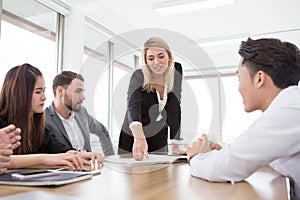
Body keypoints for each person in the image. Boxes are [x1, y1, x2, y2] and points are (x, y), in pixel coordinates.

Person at [187, 38, 300, 199]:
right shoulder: (291, 104)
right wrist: (232, 154)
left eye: (239, 77)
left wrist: (196, 157)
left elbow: (228, 167)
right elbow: (248, 155)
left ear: (259, 78)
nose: (239, 87)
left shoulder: (289, 110)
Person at [0, 63, 97, 170]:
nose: (44, 97)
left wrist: (77, 154)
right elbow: (5, 160)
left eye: (44, 91)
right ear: (20, 94)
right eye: (38, 92)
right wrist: (43, 158)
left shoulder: (36, 125)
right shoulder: (2, 122)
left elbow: (59, 150)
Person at [118, 37, 184, 160]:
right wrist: (139, 138)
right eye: (151, 58)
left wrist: (176, 145)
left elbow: (174, 107)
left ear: (169, 57)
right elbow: (133, 106)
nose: (156, 62)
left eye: (161, 56)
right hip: (135, 136)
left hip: (158, 135)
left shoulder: (176, 72)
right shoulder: (139, 76)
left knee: (160, 175)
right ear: (146, 61)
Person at [45, 71, 114, 156]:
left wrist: (110, 159)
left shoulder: (81, 113)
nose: (83, 97)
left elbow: (102, 131)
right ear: (60, 91)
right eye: (78, 91)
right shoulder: (44, 120)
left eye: (82, 91)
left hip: (89, 167)